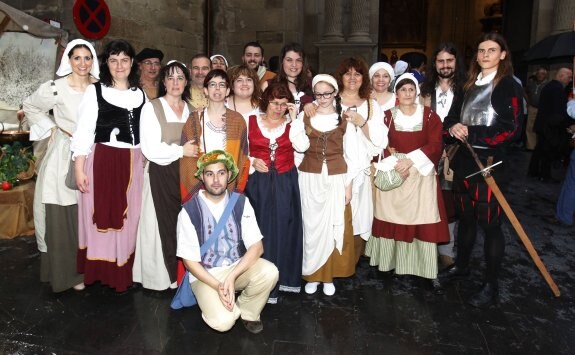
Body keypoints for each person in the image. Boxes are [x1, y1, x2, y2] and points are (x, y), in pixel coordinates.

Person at [442, 33, 523, 308]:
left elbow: (512, 129)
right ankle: (461, 267)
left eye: (492, 50)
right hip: (463, 162)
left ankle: (491, 284)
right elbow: (452, 117)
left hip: (490, 165)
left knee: (490, 225)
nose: (485, 54)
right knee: (465, 218)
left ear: (502, 55)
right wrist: (453, 127)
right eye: (481, 50)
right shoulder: (467, 84)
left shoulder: (508, 85)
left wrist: (471, 132)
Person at [23, 39, 99, 293]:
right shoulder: (56, 88)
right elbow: (30, 105)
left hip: (94, 154)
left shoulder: (99, 88)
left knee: (89, 215)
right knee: (63, 213)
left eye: (87, 58)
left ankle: (91, 268)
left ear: (93, 61)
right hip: (64, 154)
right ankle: (66, 273)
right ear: (68, 60)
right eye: (76, 57)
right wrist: (51, 127)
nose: (82, 63)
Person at [71, 39, 146, 292]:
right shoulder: (96, 91)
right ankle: (100, 271)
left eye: (124, 59)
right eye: (113, 60)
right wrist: (79, 167)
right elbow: (83, 131)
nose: (119, 65)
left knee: (130, 217)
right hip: (102, 159)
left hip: (134, 162)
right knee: (99, 215)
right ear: (107, 64)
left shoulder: (140, 94)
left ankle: (122, 271)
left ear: (132, 63)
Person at [176, 150, 279, 333]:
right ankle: (226, 308)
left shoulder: (241, 203)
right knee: (223, 322)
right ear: (202, 177)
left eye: (221, 173)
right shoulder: (188, 211)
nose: (216, 180)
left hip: (235, 268)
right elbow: (189, 262)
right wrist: (218, 285)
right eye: (210, 174)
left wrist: (232, 277)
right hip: (205, 275)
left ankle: (248, 311)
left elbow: (257, 247)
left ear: (229, 175)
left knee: (270, 272)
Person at [366, 73, 449, 291]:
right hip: (395, 171)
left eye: (411, 89)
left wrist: (410, 160)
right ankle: (388, 263)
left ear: (417, 92)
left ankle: (424, 269)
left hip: (420, 175)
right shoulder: (386, 116)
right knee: (390, 216)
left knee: (422, 219)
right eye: (402, 89)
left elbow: (435, 145)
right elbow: (378, 142)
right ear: (397, 92)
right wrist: (393, 158)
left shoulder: (430, 116)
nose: (407, 94)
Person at [134, 60, 197, 290]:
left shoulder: (191, 110)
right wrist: (181, 150)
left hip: (186, 174)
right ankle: (163, 277)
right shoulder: (152, 108)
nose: (175, 82)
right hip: (161, 172)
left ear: (186, 82)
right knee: (162, 224)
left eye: (180, 78)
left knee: (184, 224)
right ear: (163, 81)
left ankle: (182, 274)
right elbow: (150, 148)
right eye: (170, 77)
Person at [295, 74, 359, 296]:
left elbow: (351, 154)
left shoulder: (344, 120)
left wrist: (349, 185)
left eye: (327, 93)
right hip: (310, 178)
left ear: (335, 93)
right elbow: (298, 146)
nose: (323, 98)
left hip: (336, 178)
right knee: (311, 227)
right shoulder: (305, 117)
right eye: (318, 94)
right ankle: (313, 275)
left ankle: (329, 276)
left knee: (333, 225)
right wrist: (301, 114)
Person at [244, 82, 303, 303]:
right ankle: (254, 281)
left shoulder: (293, 125)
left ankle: (281, 280)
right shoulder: (250, 121)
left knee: (283, 229)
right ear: (265, 101)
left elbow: (303, 146)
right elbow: (238, 151)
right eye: (274, 103)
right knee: (257, 229)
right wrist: (251, 161)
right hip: (257, 184)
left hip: (285, 182)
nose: (278, 108)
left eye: (283, 104)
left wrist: (296, 120)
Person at [333, 57, 387, 262]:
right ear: (341, 77)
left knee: (358, 213)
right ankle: (333, 261)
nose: (353, 78)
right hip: (334, 166)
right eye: (348, 73)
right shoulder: (331, 99)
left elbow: (381, 139)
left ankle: (351, 260)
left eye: (357, 73)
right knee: (335, 212)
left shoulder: (371, 105)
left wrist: (362, 122)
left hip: (361, 168)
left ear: (364, 78)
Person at [420, 42, 467, 268]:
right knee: (427, 200)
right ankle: (426, 247)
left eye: (449, 60)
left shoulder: (467, 89)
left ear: (456, 63)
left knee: (449, 202)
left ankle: (446, 250)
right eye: (441, 61)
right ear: (434, 64)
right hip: (429, 153)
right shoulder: (425, 91)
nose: (445, 65)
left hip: (457, 153)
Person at [180, 69, 250, 204]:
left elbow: (243, 157)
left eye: (222, 85)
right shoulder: (194, 119)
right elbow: (187, 159)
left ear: (228, 91)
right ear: (205, 90)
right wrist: (202, 180)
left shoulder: (237, 120)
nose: (217, 89)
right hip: (201, 184)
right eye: (212, 84)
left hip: (228, 182)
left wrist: (234, 184)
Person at [528, 67, 573, 182]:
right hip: (549, 126)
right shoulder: (557, 89)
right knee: (547, 151)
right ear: (561, 76)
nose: (570, 79)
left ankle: (533, 172)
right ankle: (544, 175)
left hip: (543, 123)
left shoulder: (550, 86)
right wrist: (567, 124)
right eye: (569, 76)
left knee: (540, 149)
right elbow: (560, 110)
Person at [261, 43, 314, 113]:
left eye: (298, 60)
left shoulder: (313, 84)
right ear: (282, 62)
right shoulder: (268, 85)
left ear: (303, 63)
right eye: (289, 60)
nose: (294, 64)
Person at [525, 67, 549, 150]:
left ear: (545, 75)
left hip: (542, 109)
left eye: (542, 74)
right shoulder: (532, 83)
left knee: (540, 128)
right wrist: (528, 102)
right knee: (530, 127)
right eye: (538, 73)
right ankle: (531, 147)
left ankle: (540, 146)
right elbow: (525, 91)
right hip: (532, 107)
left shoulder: (547, 84)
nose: (540, 75)